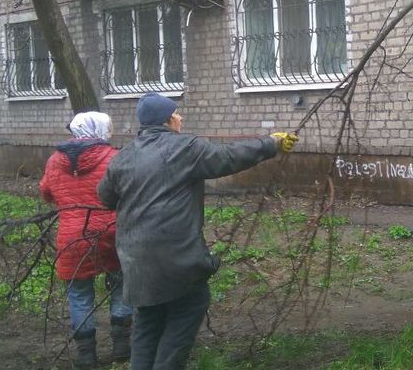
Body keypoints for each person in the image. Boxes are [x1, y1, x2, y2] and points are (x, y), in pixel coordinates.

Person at [97, 92, 299, 370]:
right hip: (176, 260)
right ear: (167, 120)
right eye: (176, 113)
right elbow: (229, 157)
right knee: (188, 308)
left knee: (147, 323)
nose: (180, 117)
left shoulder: (123, 157)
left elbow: (105, 197)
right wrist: (272, 143)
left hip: (136, 261)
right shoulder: (184, 148)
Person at [40, 111, 134, 369]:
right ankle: (122, 347)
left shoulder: (54, 161)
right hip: (113, 233)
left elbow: (47, 193)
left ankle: (86, 356)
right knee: (120, 284)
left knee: (79, 294)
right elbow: (129, 192)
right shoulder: (114, 158)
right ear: (100, 130)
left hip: (72, 237)